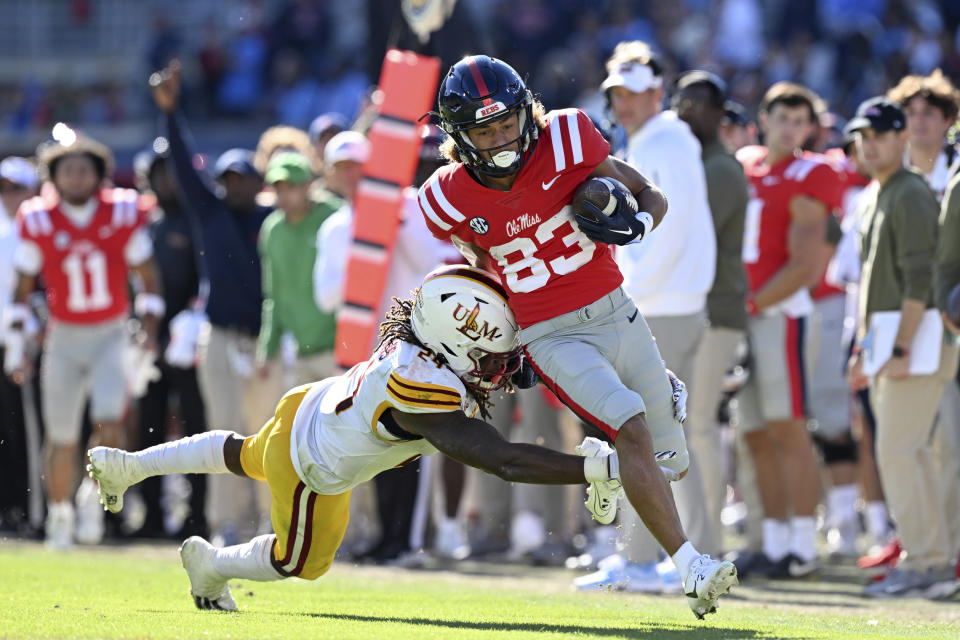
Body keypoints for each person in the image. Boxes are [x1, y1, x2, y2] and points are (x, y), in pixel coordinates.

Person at [87, 265, 624, 611]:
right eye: (493, 359)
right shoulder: (424, 391)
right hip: (310, 466)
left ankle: (129, 466)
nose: (504, 372)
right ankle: (211, 565)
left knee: (246, 452)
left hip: (307, 405)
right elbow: (503, 460)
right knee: (303, 562)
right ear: (455, 345)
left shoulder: (427, 350)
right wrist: (593, 469)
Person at [417, 55, 737, 618]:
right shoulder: (447, 198)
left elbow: (649, 195)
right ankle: (692, 566)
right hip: (549, 333)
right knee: (631, 425)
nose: (498, 139)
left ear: (526, 114)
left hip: (616, 310)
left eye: (506, 123)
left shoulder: (566, 140)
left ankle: (611, 456)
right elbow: (484, 268)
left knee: (671, 463)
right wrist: (501, 339)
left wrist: (636, 223)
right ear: (459, 136)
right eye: (483, 130)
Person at [575, 43, 716, 594]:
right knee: (651, 435)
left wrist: (623, 298)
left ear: (658, 93)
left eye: (634, 93)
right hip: (664, 304)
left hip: (662, 308)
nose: (624, 102)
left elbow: (666, 228)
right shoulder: (654, 141)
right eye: (617, 93)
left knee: (650, 436)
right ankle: (641, 556)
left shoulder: (665, 142)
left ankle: (643, 560)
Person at [3, 128, 163, 549]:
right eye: (67, 170)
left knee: (111, 422)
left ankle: (90, 495)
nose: (76, 178)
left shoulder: (121, 213)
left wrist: (149, 332)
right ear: (53, 177)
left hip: (110, 332)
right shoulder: (38, 218)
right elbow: (20, 291)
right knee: (61, 436)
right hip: (65, 334)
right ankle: (59, 513)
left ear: (99, 175)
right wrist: (17, 344)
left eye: (83, 170)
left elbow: (148, 279)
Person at [151, 61, 275, 546]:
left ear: (257, 182)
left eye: (242, 177)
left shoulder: (272, 218)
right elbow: (182, 165)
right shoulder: (211, 213)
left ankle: (267, 523)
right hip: (221, 338)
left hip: (263, 339)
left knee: (266, 434)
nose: (232, 185)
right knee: (223, 434)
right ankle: (227, 525)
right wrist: (171, 112)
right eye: (226, 177)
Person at [846, 97, 959, 599]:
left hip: (917, 340)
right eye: (862, 136)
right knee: (908, 454)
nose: (869, 145)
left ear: (900, 138)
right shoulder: (879, 191)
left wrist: (902, 345)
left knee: (900, 452)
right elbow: (876, 289)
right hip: (893, 340)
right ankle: (928, 558)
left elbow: (920, 280)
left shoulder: (909, 192)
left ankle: (929, 561)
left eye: (879, 135)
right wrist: (866, 350)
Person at [731, 82, 843, 578]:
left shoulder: (812, 172)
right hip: (747, 315)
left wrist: (752, 302)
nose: (792, 128)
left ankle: (803, 545)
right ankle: (773, 543)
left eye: (801, 121)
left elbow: (805, 265)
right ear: (765, 119)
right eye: (784, 117)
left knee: (789, 427)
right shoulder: (747, 163)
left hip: (782, 314)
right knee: (753, 434)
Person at [673, 70, 749, 558]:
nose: (687, 111)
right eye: (682, 101)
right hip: (696, 308)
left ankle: (708, 544)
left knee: (698, 426)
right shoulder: (695, 162)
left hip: (715, 311)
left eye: (699, 103)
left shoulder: (719, 169)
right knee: (688, 427)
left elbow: (687, 239)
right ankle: (693, 539)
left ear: (720, 114)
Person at [133, 139, 208, 539]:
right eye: (161, 172)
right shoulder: (146, 225)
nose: (169, 180)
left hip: (190, 346)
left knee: (197, 433)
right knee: (148, 431)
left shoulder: (199, 223)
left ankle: (196, 516)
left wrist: (189, 326)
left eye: (174, 171)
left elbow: (206, 282)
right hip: (150, 345)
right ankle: (149, 516)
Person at [257, 151, 339, 386]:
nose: (284, 195)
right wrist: (268, 348)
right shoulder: (272, 230)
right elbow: (273, 295)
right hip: (299, 354)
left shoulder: (334, 215)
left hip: (338, 352)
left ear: (308, 185)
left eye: (290, 187)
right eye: (279, 188)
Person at [0, 157, 40, 533]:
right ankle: (8, 506)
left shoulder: (37, 230)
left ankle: (33, 511)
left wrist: (20, 344)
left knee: (27, 431)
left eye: (17, 187)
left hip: (25, 344)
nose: (9, 195)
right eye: (5, 188)